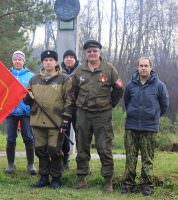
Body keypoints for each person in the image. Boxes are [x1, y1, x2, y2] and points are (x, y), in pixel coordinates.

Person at [71, 40, 124, 192]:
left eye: (94, 51)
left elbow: (119, 89)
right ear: (86, 54)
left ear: (99, 52)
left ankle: (108, 181)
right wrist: (79, 106)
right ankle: (81, 178)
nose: (92, 53)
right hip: (83, 114)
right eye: (89, 51)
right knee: (82, 147)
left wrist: (110, 104)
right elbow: (73, 91)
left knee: (104, 147)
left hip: (102, 115)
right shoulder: (80, 70)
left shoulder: (108, 69)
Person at [24, 50, 73, 189]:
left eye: (51, 60)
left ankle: (56, 178)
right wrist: (27, 99)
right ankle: (44, 177)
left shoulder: (64, 79)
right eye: (45, 60)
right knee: (40, 150)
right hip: (37, 120)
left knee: (54, 150)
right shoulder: (34, 80)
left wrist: (66, 119)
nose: (48, 62)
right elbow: (27, 99)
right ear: (42, 62)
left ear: (56, 62)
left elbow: (70, 101)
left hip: (56, 122)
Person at [121, 57, 169, 196]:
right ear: (137, 67)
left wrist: (153, 116)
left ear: (151, 67)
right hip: (131, 126)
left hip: (149, 128)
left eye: (146, 65)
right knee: (130, 158)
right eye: (141, 65)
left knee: (147, 159)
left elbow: (164, 105)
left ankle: (147, 186)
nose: (143, 68)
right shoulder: (130, 85)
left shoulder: (159, 85)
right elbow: (126, 101)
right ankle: (128, 184)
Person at [4, 50, 36, 175]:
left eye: (20, 59)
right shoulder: (6, 74)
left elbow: (34, 93)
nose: (17, 61)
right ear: (12, 60)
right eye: (15, 59)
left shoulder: (30, 76)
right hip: (11, 112)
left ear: (24, 61)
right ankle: (10, 164)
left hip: (26, 112)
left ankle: (31, 164)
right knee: (10, 139)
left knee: (28, 138)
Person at [61, 49, 79, 170]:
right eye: (66, 57)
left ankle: (82, 163)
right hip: (64, 108)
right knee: (63, 135)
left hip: (78, 108)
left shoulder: (81, 71)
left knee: (80, 135)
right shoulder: (58, 72)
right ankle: (64, 160)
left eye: (71, 57)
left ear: (75, 59)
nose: (68, 59)